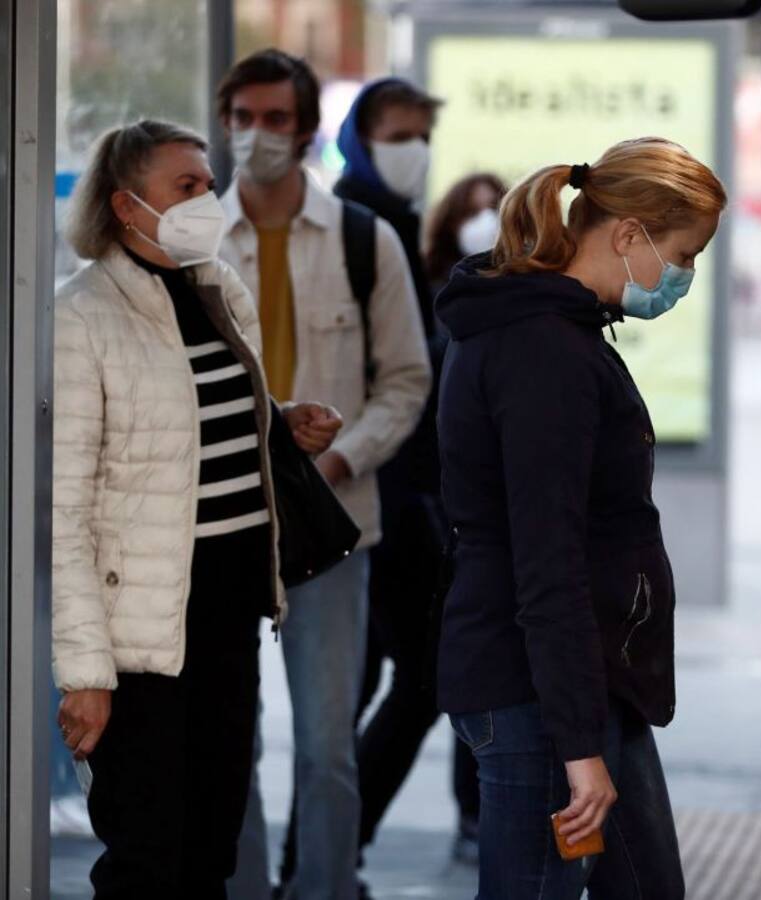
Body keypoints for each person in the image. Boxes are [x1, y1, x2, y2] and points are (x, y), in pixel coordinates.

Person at [53, 119, 344, 898]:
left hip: (228, 613)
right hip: (142, 639)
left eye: (207, 186)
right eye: (186, 187)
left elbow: (180, 425)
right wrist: (85, 673)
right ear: (125, 205)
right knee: (147, 858)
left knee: (211, 847)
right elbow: (66, 506)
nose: (207, 201)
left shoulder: (217, 286)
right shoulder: (81, 316)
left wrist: (276, 423)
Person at [436, 137, 725, 898]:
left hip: (581, 685)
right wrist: (575, 746)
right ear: (628, 235)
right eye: (685, 254)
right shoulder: (544, 354)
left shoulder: (555, 332)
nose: (685, 276)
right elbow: (547, 558)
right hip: (540, 698)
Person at [216, 50, 433, 900]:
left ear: (307, 131)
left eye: (275, 120)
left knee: (327, 747)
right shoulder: (197, 237)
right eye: (242, 118)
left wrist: (341, 459)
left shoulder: (360, 239)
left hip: (333, 527)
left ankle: (324, 890)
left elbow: (408, 381)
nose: (256, 137)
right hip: (223, 523)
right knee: (232, 738)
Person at [323, 79, 485, 885]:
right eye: (398, 133)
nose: (413, 150)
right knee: (415, 679)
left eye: (422, 134)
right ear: (361, 136)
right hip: (374, 496)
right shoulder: (356, 224)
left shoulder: (388, 222)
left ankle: (325, 854)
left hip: (397, 496)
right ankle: (327, 853)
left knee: (372, 683)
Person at [425, 172, 508, 292]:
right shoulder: (430, 286)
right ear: (450, 224)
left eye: (494, 207)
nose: (487, 219)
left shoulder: (525, 278)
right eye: (473, 212)